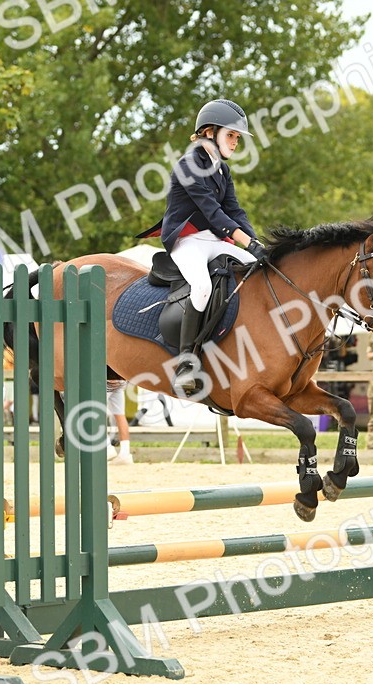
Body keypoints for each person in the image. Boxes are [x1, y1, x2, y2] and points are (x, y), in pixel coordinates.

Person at [139, 99, 266, 393]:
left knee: (256, 271)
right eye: (231, 135)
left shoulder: (222, 170)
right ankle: (186, 361)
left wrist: (256, 244)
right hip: (186, 240)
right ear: (210, 132)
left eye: (236, 137)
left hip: (213, 239)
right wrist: (245, 241)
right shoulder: (188, 165)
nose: (235, 142)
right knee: (203, 286)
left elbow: (235, 212)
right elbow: (213, 213)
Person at [107, 383, 133, 465]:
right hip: (120, 381)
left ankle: (107, 447)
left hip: (106, 379)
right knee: (120, 415)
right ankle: (125, 454)